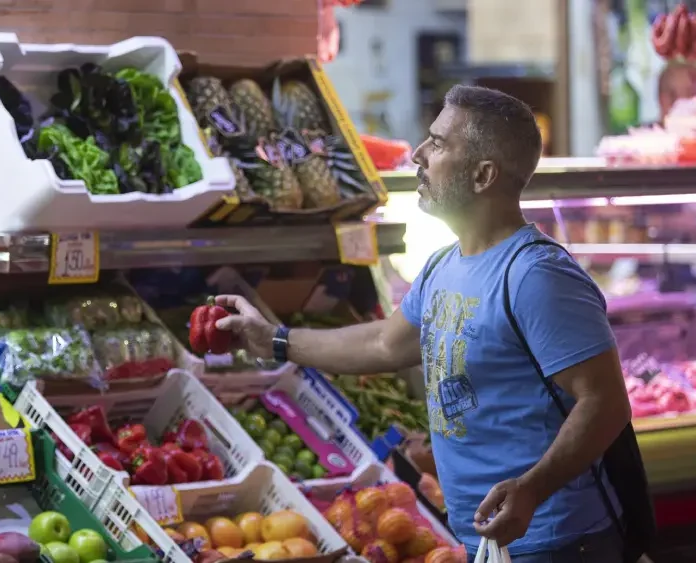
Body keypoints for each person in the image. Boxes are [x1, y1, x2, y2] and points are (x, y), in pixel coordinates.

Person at [214, 85, 631, 562]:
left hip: (558, 542)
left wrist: (533, 490)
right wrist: (275, 339)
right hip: (488, 541)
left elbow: (605, 402)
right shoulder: (442, 266)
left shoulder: (536, 276)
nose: (417, 154)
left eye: (437, 143)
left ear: (483, 175)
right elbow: (384, 344)